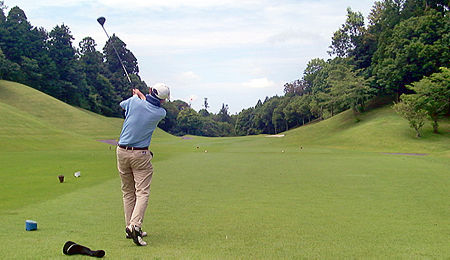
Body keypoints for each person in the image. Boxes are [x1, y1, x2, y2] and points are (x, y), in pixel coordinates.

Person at [116, 83, 170, 246]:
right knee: (142, 192)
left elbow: (123, 105)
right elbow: (149, 103)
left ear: (149, 91)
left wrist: (136, 95)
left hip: (121, 151)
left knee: (128, 192)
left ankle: (130, 226)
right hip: (140, 154)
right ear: (163, 100)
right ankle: (134, 226)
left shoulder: (134, 101)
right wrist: (140, 96)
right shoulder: (160, 112)